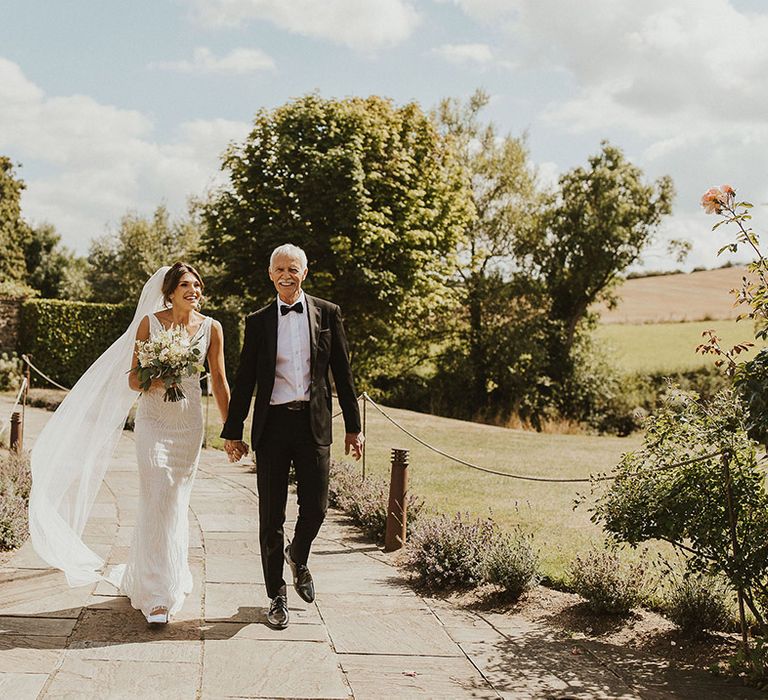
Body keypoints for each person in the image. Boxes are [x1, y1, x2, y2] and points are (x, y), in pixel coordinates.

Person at [29, 263, 231, 625]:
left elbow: (218, 379)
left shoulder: (212, 328)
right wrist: (157, 373)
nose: (194, 289)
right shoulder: (149, 324)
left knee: (175, 500)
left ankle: (167, 575)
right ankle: (156, 595)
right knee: (157, 494)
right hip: (153, 421)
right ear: (169, 291)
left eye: (197, 284)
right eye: (185, 284)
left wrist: (231, 428)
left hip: (189, 425)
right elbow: (133, 380)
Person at [222, 243, 364, 630]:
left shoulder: (328, 313)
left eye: (293, 268)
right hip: (272, 427)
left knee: (316, 507)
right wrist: (233, 431)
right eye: (280, 268)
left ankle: (297, 555)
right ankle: (276, 596)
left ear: (305, 272)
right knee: (271, 516)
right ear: (270, 274)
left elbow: (344, 374)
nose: (286, 274)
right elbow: (245, 379)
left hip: (313, 424)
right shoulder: (258, 321)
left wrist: (354, 427)